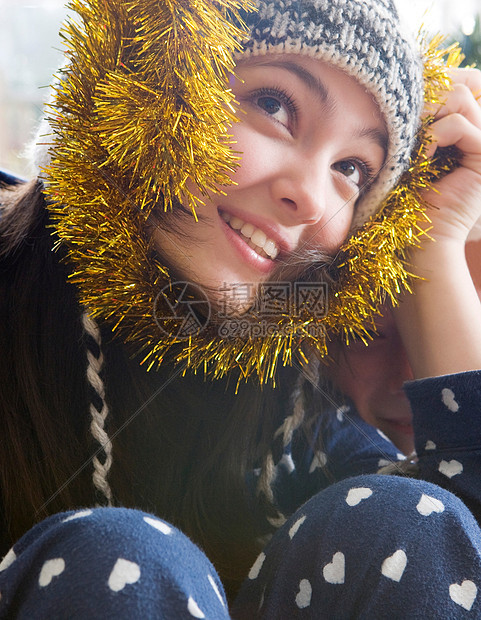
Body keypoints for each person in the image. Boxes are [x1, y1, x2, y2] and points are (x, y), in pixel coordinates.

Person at [1, 0, 481, 617]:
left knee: (413, 522)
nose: (310, 198)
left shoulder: (300, 403)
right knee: (121, 558)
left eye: (352, 168)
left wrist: (433, 246)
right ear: (156, 73)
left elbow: (460, 542)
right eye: (275, 106)